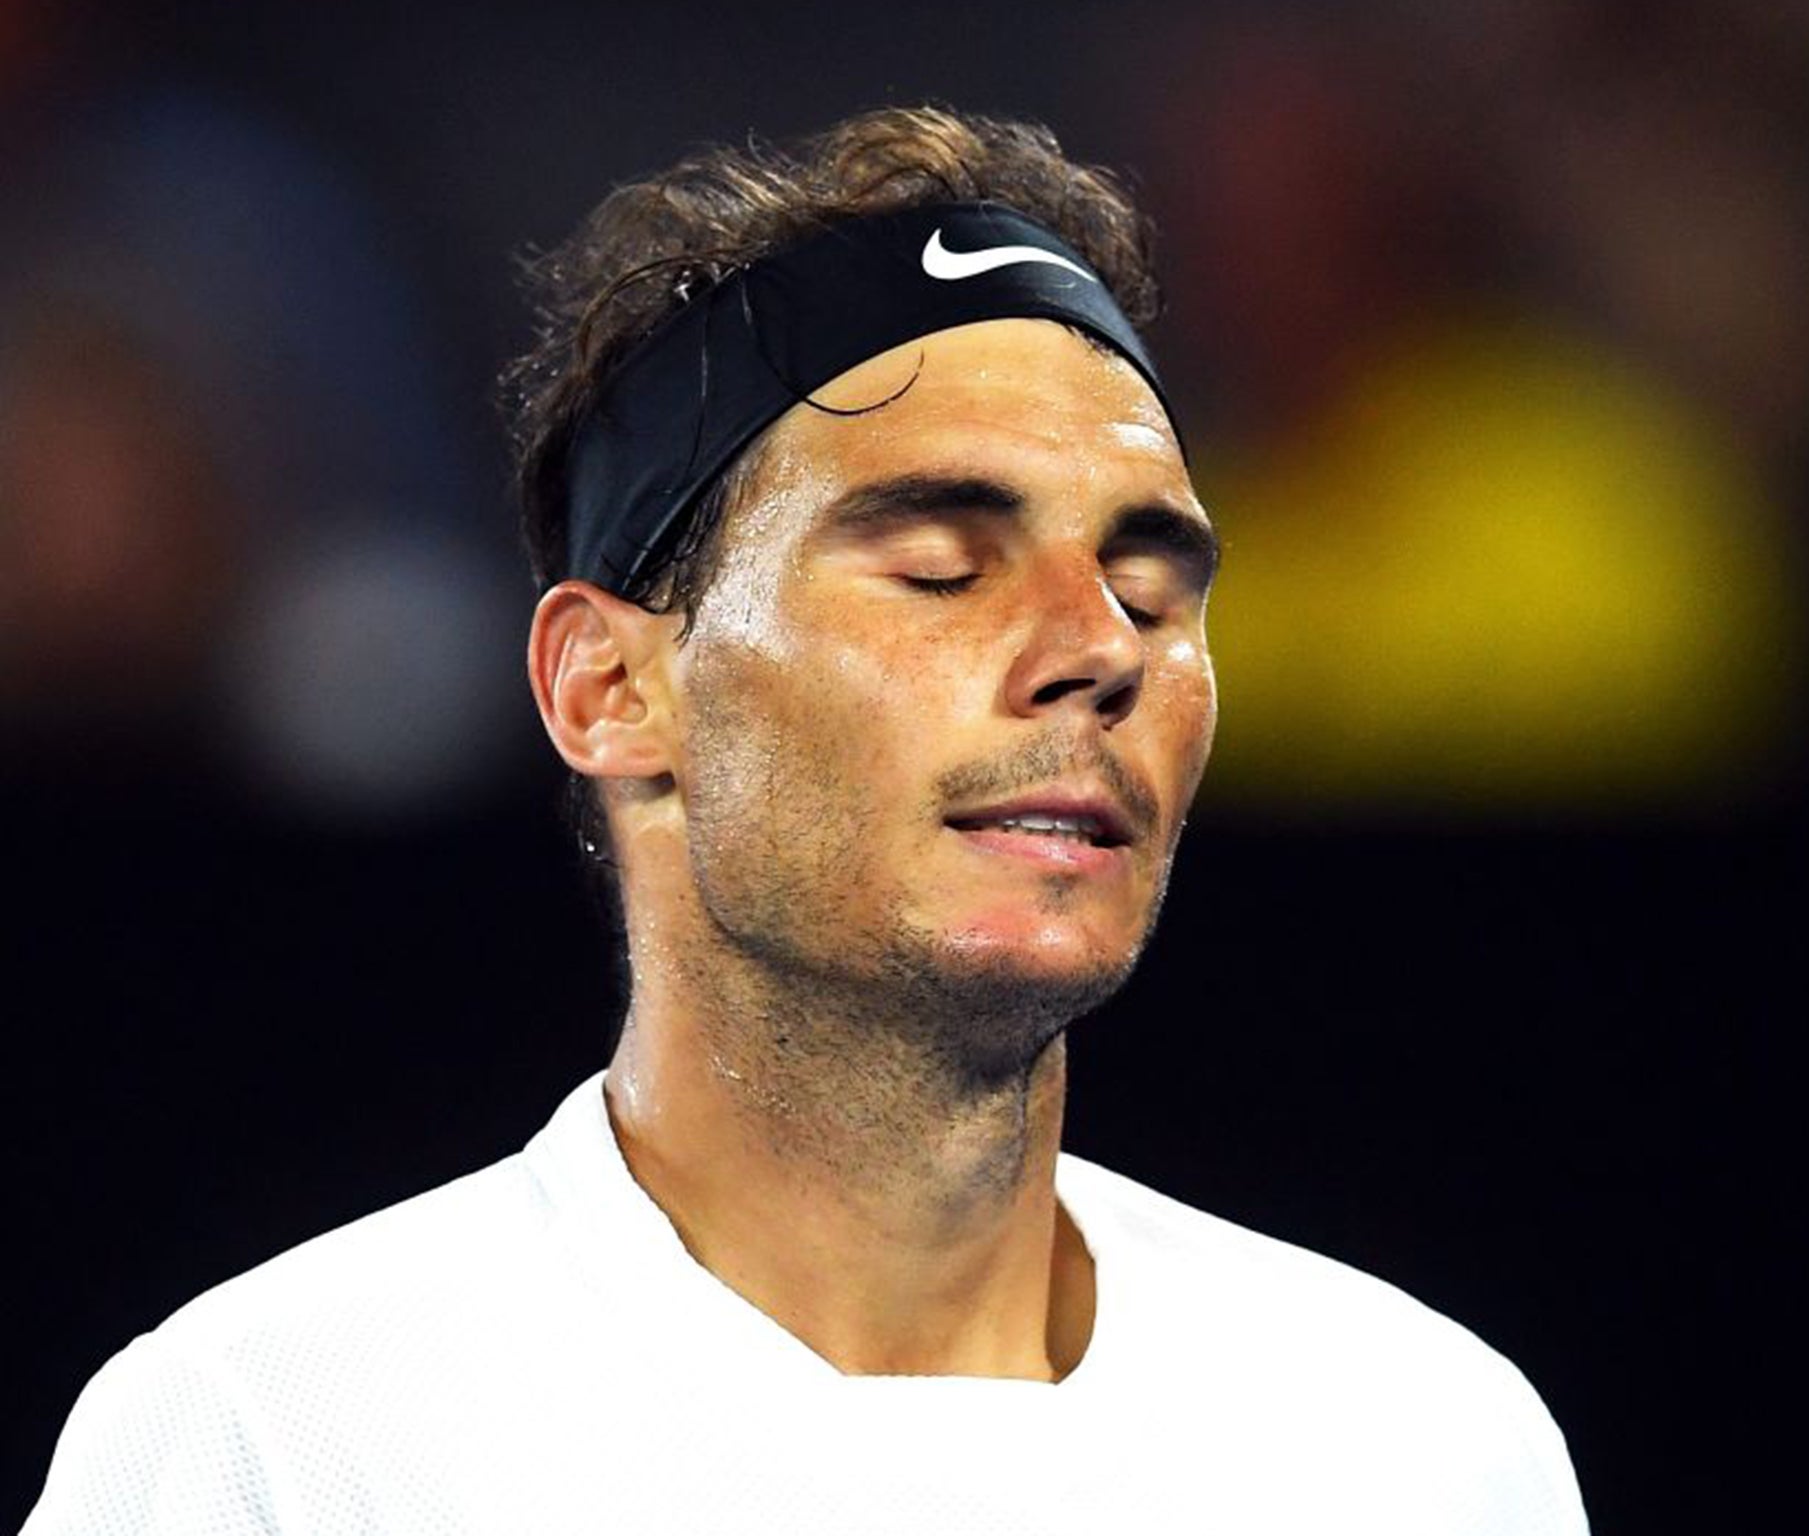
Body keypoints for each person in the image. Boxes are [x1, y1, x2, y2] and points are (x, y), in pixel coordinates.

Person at [25, 107, 1588, 1534]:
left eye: (1153, 581)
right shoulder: (271, 1447)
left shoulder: (1424, 1449)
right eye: (941, 565)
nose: (1099, 646)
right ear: (610, 687)